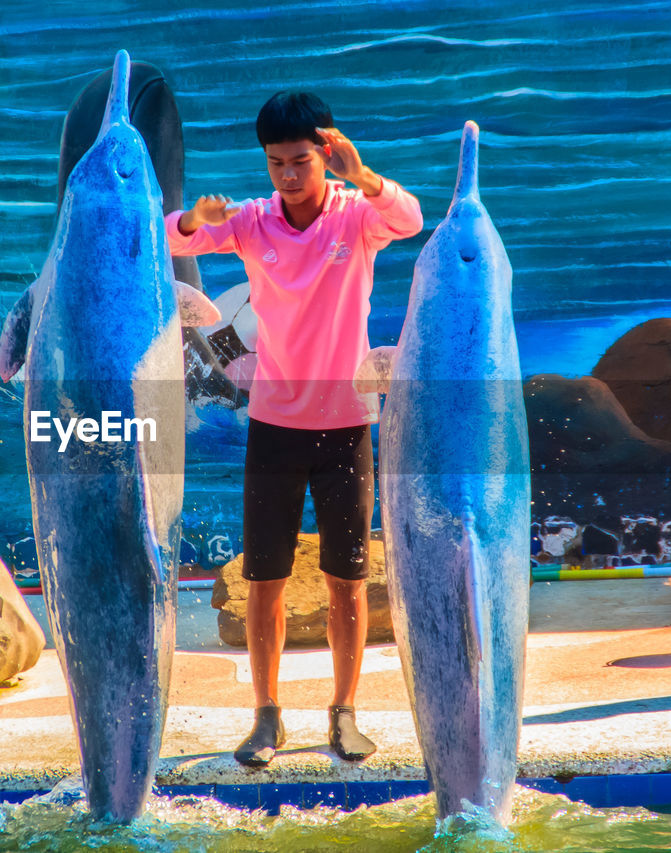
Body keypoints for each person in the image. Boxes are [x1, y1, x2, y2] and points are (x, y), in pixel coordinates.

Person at [165, 92, 423, 765]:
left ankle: (343, 712)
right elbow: (168, 236)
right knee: (266, 580)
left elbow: (411, 217)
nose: (288, 174)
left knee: (346, 578)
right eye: (276, 162)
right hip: (274, 426)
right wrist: (196, 218)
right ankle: (267, 716)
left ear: (326, 152)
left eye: (301, 160)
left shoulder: (355, 217)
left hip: (345, 427)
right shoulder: (250, 222)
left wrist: (364, 177)